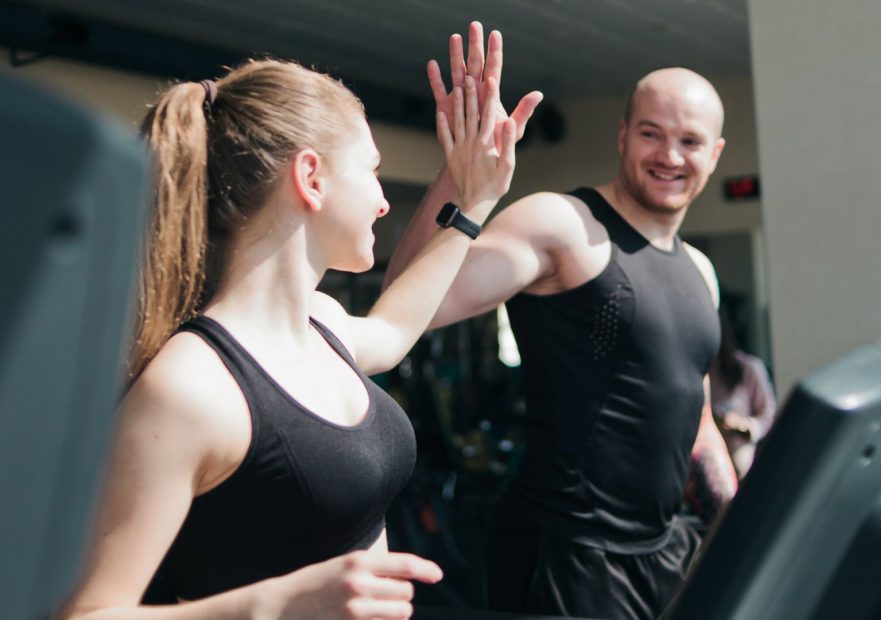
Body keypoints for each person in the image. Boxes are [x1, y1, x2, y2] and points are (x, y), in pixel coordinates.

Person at [55, 37, 540, 619]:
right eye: (373, 171)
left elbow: (393, 328)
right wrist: (279, 603)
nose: (385, 202)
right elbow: (85, 613)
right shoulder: (189, 389)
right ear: (311, 177)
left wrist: (472, 196)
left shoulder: (323, 322)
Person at [385, 51, 739, 619]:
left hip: (666, 555)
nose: (670, 156)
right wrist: (462, 179)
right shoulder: (561, 226)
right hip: (566, 557)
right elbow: (406, 304)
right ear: (623, 134)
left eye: (690, 142)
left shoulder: (699, 270)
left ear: (715, 154)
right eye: (652, 134)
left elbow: (694, 422)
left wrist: (741, 528)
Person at [708, 307, 777, 479]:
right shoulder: (701, 373)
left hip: (742, 464)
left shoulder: (749, 369)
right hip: (711, 466)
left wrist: (743, 426)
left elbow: (769, 416)